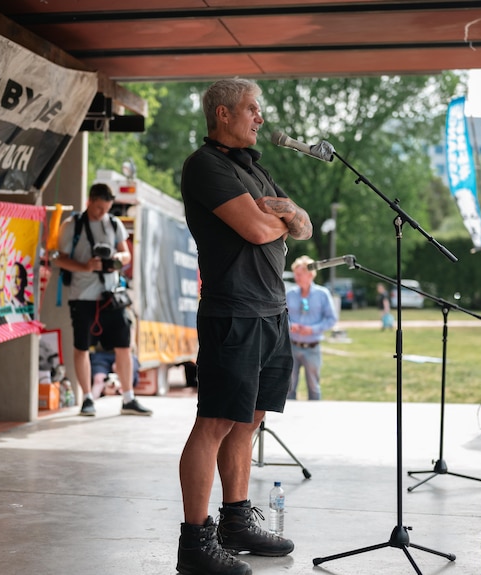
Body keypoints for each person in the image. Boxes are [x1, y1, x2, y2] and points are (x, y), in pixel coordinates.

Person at [176, 78, 312, 575]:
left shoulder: (254, 169)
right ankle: (195, 542)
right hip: (232, 311)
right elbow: (258, 229)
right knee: (214, 422)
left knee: (250, 420)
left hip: (272, 311)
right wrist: (278, 216)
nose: (260, 118)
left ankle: (236, 522)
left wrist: (281, 212)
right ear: (223, 115)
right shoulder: (205, 166)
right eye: (252, 109)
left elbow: (304, 224)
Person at [55, 183, 151, 417]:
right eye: (98, 208)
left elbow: (126, 253)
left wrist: (118, 259)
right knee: (81, 347)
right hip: (82, 297)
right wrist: (85, 266)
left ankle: (128, 398)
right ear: (89, 201)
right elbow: (59, 259)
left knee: (124, 346)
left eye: (106, 209)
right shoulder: (72, 226)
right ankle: (87, 397)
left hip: (111, 296)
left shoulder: (113, 223)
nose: (101, 213)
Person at [285, 255, 337, 400]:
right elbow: (282, 317)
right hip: (291, 347)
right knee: (288, 387)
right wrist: (290, 326)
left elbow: (331, 319)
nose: (296, 277)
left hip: (313, 348)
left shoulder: (322, 294)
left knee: (314, 387)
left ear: (310, 274)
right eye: (295, 274)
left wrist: (312, 329)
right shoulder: (290, 294)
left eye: (299, 274)